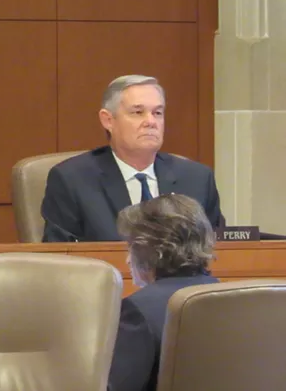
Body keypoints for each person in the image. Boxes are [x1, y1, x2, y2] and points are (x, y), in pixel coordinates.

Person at [41, 74, 223, 242]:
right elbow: (60, 258)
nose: (151, 122)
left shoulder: (197, 179)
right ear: (108, 120)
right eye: (138, 112)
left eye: (157, 113)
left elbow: (220, 251)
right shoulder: (72, 180)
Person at [107, 194, 219, 391]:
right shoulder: (231, 296)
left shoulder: (139, 310)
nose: (127, 260)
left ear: (147, 250)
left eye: (130, 248)